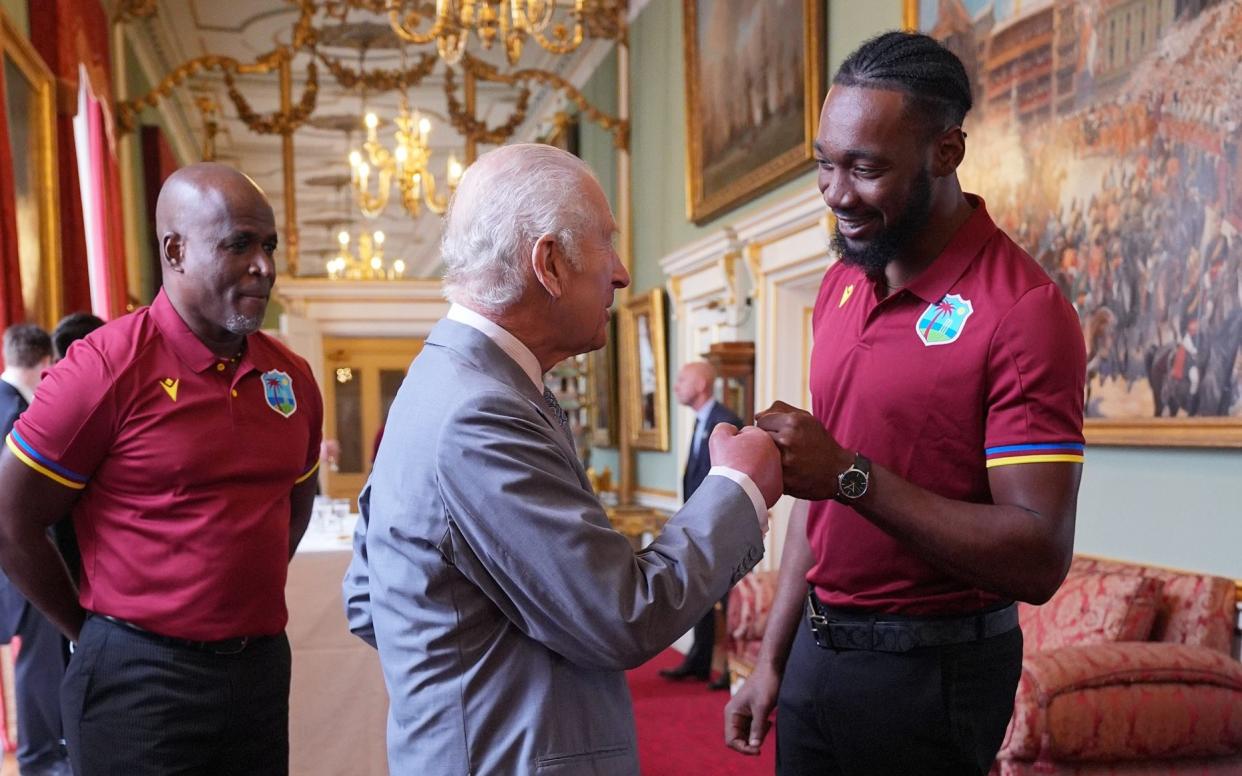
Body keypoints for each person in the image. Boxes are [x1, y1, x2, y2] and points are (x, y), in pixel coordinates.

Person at [342, 143, 782, 775]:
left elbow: (367, 598)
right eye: (607, 244)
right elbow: (620, 614)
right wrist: (738, 486)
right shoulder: (479, 410)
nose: (623, 272)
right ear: (548, 262)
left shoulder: (439, 379)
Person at [724, 32, 1086, 775]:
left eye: (865, 168)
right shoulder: (841, 284)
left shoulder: (1023, 311)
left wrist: (850, 474)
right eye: (826, 163)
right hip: (819, 657)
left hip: (934, 674)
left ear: (946, 152)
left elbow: (1038, 556)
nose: (836, 192)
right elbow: (816, 501)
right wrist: (771, 658)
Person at [0, 162, 323, 776]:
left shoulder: (292, 378)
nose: (265, 266)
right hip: (137, 680)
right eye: (239, 244)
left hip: (258, 671)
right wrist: (93, 630)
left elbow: (294, 504)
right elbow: (11, 520)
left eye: (269, 245)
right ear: (174, 250)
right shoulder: (104, 369)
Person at [0, 324, 70, 776]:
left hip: (13, 559)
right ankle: (41, 759)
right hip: (21, 559)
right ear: (46, 364)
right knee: (38, 665)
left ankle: (43, 754)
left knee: (36, 661)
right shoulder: (15, 412)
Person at [659, 360, 743, 690]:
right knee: (703, 595)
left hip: (723, 528)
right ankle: (700, 659)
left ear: (702, 385)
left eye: (683, 378)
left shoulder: (726, 422)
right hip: (700, 527)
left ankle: (731, 670)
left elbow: (728, 482)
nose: (677, 384)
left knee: (730, 598)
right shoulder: (701, 421)